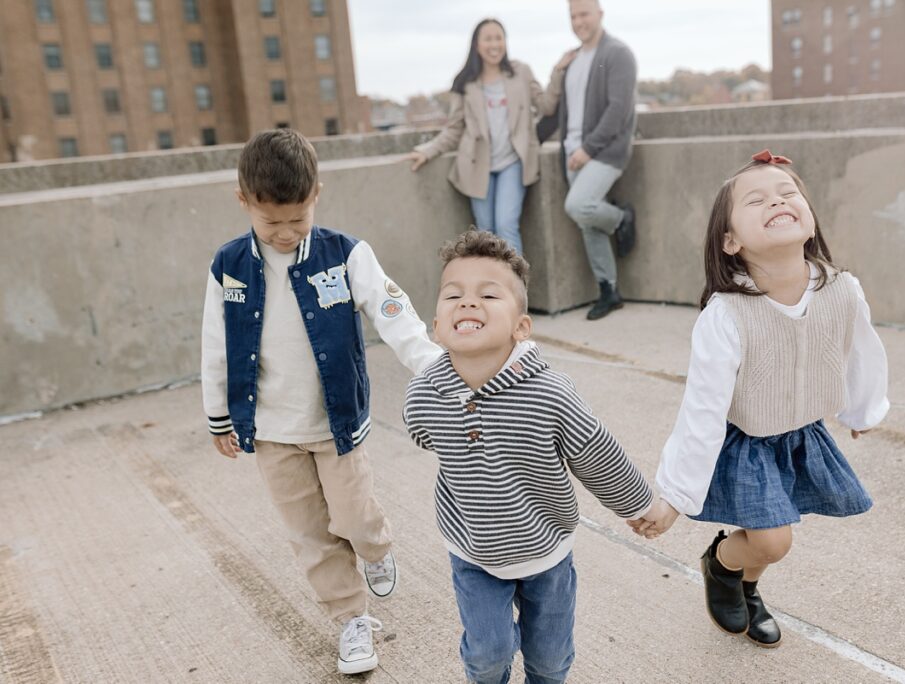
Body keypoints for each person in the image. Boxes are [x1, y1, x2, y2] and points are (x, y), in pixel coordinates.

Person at [200, 129, 442, 674]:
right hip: (270, 431)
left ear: (316, 196)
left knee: (353, 518)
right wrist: (220, 415)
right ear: (244, 202)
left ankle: (375, 549)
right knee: (309, 534)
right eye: (271, 222)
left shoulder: (346, 254)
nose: (285, 233)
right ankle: (351, 619)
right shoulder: (228, 266)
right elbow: (214, 344)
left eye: (297, 219)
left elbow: (391, 310)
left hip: (335, 425)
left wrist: (432, 365)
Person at [632, 150, 889, 648]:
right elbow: (702, 408)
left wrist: (863, 408)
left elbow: (862, 352)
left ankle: (746, 585)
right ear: (730, 240)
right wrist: (675, 498)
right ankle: (723, 567)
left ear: (809, 219)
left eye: (788, 192)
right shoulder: (726, 315)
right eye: (756, 200)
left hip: (799, 433)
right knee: (773, 540)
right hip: (746, 441)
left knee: (770, 543)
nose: (778, 200)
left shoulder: (843, 290)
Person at [403, 230, 653, 683]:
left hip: (546, 549)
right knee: (488, 655)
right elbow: (423, 434)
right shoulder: (424, 395)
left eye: (488, 294)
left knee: (550, 659)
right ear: (437, 327)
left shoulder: (549, 393)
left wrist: (639, 505)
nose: (467, 303)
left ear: (521, 327)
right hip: (473, 549)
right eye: (452, 295)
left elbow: (596, 453)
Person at [406, 18, 575, 256]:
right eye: (488, 39)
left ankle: (516, 291)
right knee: (485, 233)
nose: (494, 44)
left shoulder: (521, 72)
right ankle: (492, 292)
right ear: (477, 45)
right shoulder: (465, 83)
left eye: (499, 38)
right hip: (477, 166)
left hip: (513, 162)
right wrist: (427, 150)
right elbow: (454, 128)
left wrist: (558, 72)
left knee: (507, 226)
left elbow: (546, 106)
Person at [559, 0, 638, 320]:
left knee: (578, 206)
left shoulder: (617, 53)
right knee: (586, 221)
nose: (579, 21)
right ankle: (609, 290)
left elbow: (618, 110)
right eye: (573, 16)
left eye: (584, 14)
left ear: (600, 14)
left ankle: (621, 219)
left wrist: (588, 149)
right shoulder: (573, 59)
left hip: (603, 151)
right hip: (571, 151)